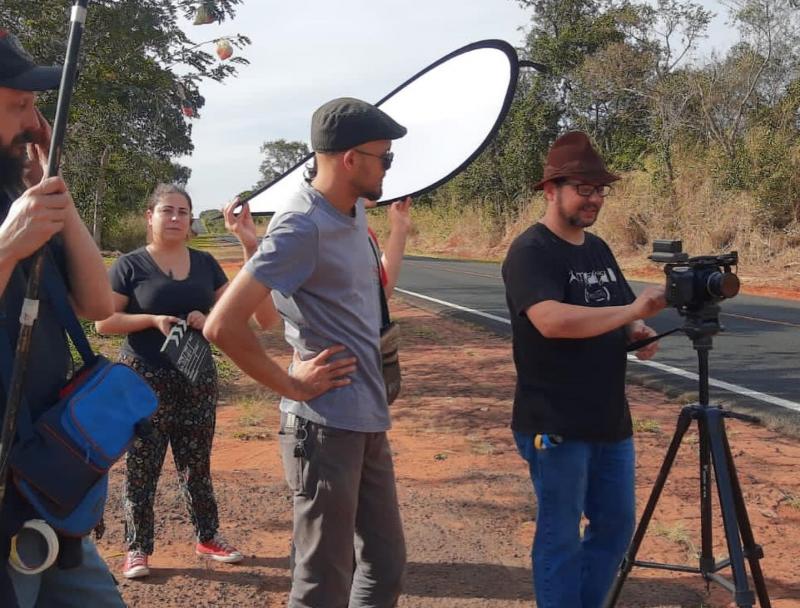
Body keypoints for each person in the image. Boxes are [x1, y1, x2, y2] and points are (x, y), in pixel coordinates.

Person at [204, 97, 409, 608]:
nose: (388, 167)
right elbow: (222, 325)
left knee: (385, 564)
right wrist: (291, 383)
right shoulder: (301, 226)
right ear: (350, 159)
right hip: (323, 427)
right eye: (385, 157)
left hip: (366, 418)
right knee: (322, 580)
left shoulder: (354, 208)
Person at [501, 131, 667, 608]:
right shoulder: (530, 252)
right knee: (560, 538)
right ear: (551, 190)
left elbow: (612, 314)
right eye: (583, 188)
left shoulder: (597, 249)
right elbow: (551, 321)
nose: (594, 198)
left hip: (610, 421)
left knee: (615, 531)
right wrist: (630, 313)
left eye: (600, 190)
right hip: (554, 423)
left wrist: (634, 335)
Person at [0, 30, 124, 608]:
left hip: (48, 473)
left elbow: (99, 305)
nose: (33, 120)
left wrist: (54, 189)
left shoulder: (17, 197)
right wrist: (6, 250)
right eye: (18, 105)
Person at [95, 184, 248, 579]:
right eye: (167, 211)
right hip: (143, 381)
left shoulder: (206, 264)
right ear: (150, 216)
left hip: (195, 376)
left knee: (196, 464)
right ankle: (136, 547)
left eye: (183, 211)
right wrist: (151, 319)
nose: (176, 218)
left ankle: (208, 536)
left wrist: (206, 318)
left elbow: (233, 310)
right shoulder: (129, 266)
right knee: (142, 467)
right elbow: (105, 322)